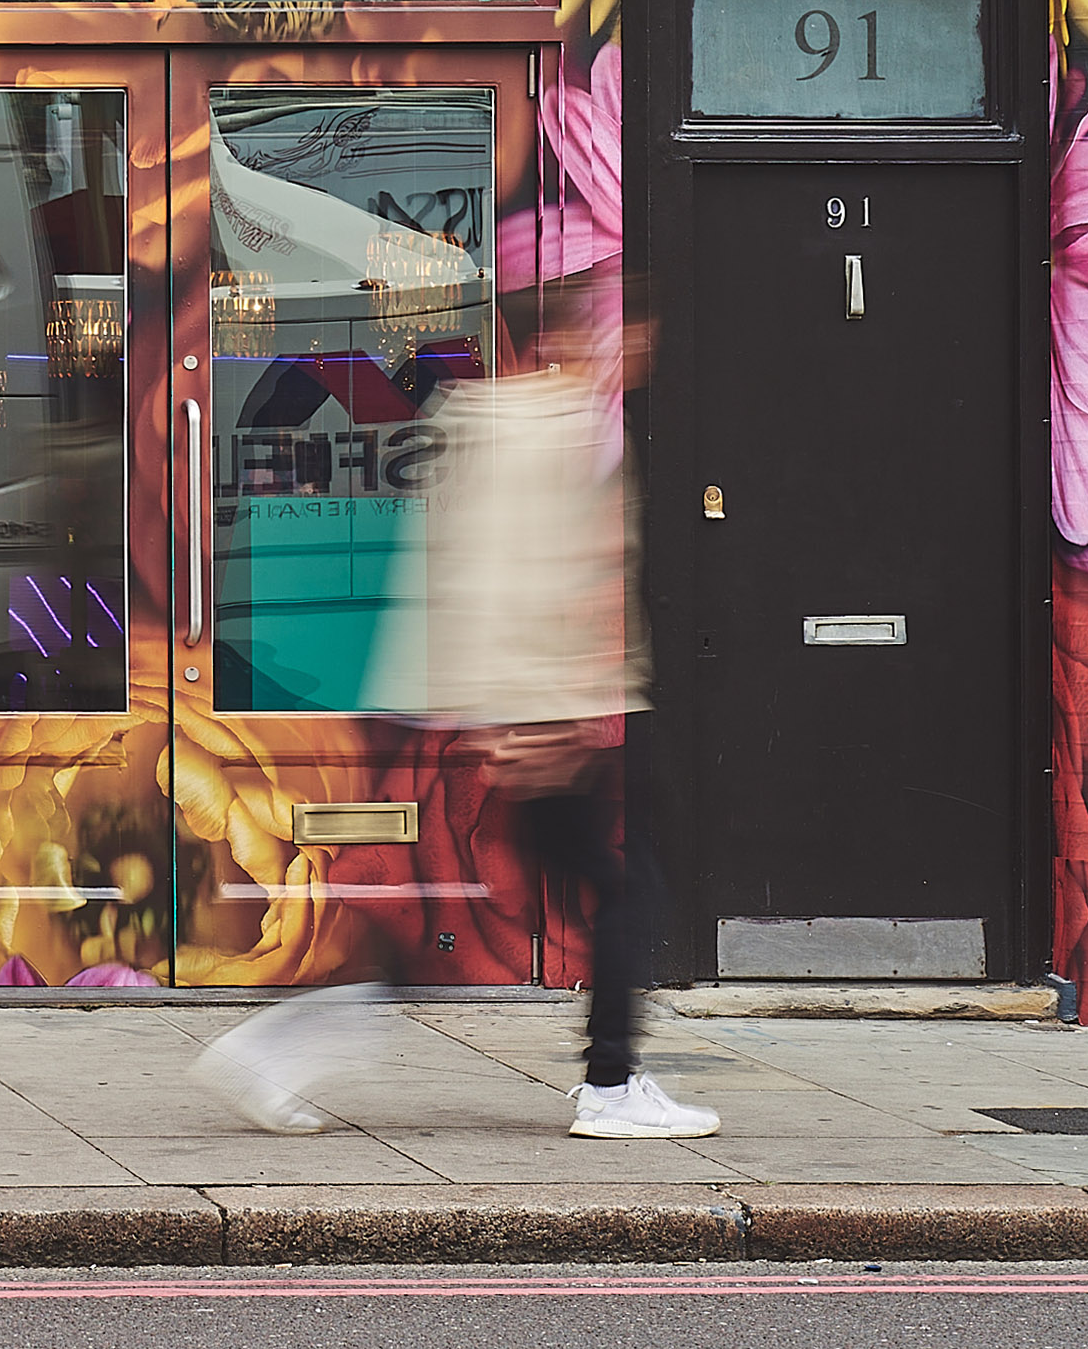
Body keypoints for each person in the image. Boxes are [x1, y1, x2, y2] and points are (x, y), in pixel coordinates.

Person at [192, 295, 714, 1145]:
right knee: (628, 889)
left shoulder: (557, 423)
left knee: (495, 900)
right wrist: (526, 717)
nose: (644, 340)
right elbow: (495, 573)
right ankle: (611, 1083)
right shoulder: (545, 429)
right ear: (585, 335)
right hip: (537, 711)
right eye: (629, 323)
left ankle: (277, 1049)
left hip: (540, 706)